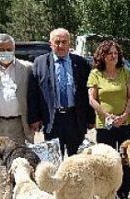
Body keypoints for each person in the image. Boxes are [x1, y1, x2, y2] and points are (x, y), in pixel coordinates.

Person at [29, 28, 95, 156]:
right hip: (52, 119)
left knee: (76, 161)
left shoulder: (81, 63)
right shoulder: (40, 63)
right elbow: (33, 93)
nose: (61, 45)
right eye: (57, 42)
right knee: (54, 160)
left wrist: (90, 118)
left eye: (64, 42)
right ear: (50, 43)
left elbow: (87, 93)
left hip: (75, 119)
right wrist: (34, 118)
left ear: (69, 43)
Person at [87, 40, 130, 199]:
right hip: (104, 125)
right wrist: (107, 116)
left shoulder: (124, 72)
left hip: (125, 123)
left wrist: (124, 115)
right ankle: (107, 196)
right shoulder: (95, 74)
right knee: (105, 162)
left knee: (125, 160)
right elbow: (92, 99)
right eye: (109, 53)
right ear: (102, 55)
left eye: (116, 53)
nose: (113, 56)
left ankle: (123, 193)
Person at [0, 33, 37, 144]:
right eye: (1, 49)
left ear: (14, 49)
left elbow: (34, 95)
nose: (5, 52)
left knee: (20, 158)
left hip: (20, 125)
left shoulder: (28, 68)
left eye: (9, 49)